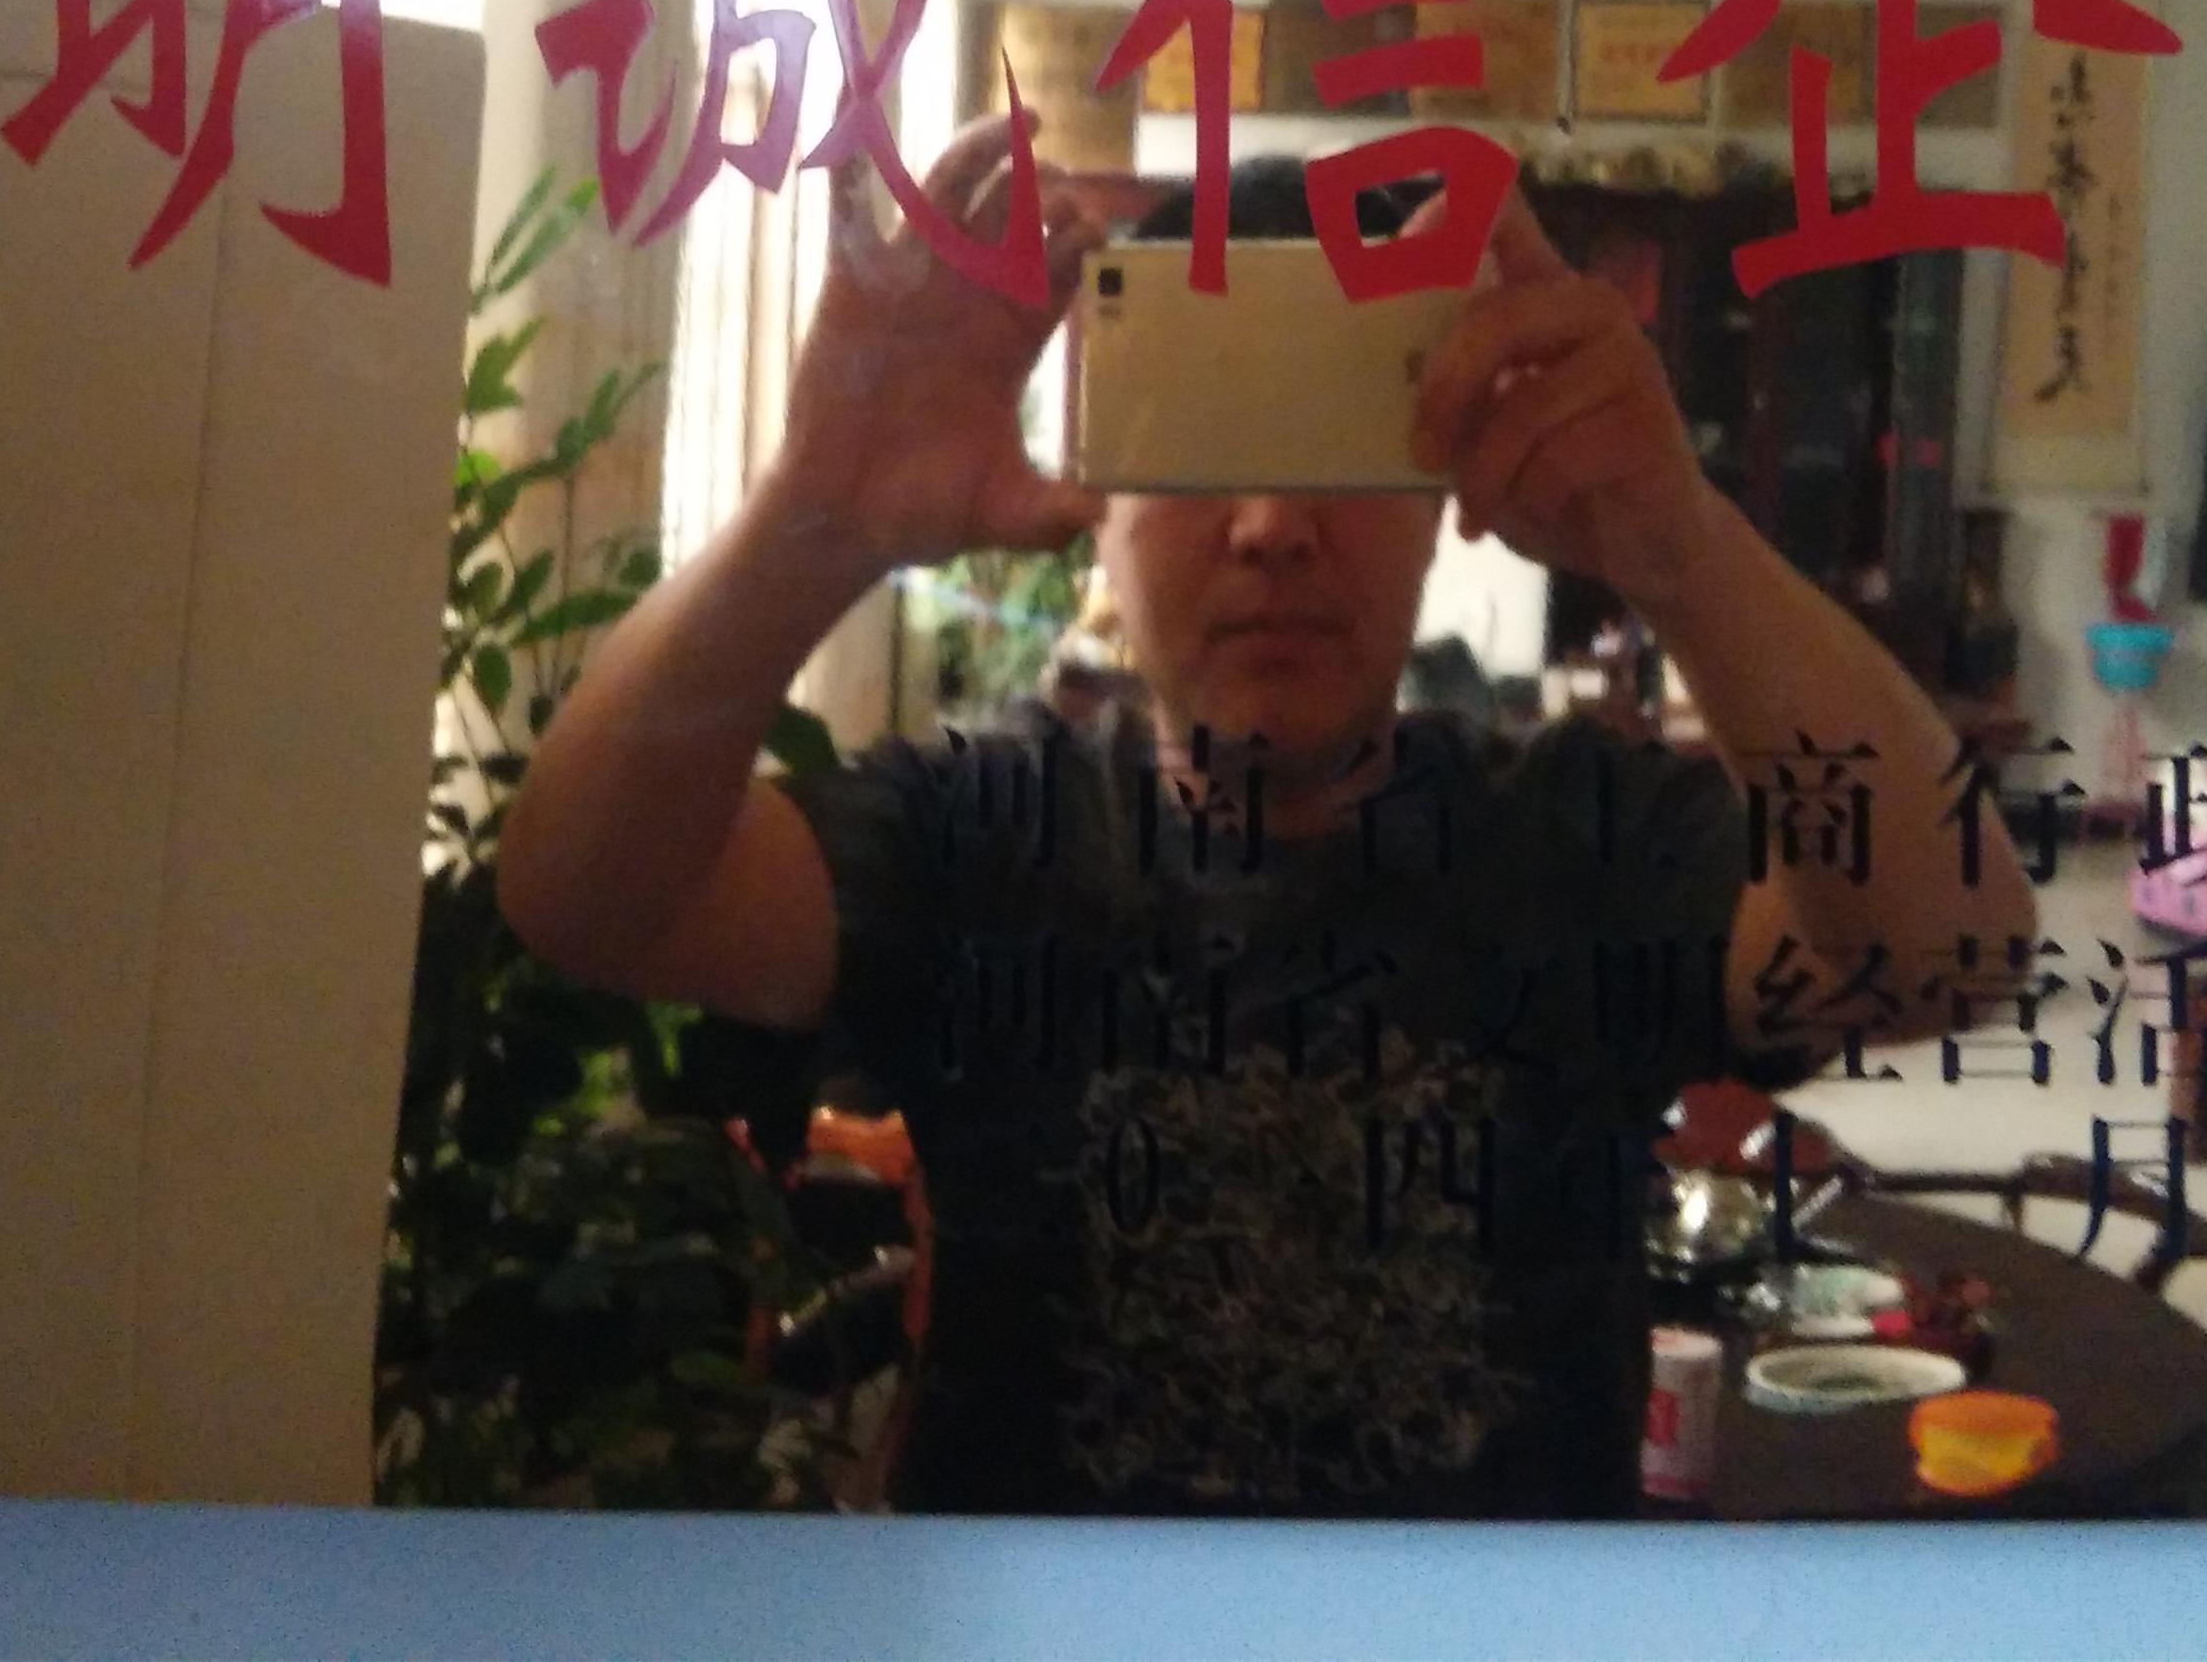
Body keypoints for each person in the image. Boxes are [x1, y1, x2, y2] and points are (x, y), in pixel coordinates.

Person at [502, 124, 2038, 1516]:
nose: (1271, 528)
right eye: (1202, 441)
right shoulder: (978, 833)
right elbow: (585, 898)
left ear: (1438, 493)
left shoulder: (1585, 834)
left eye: (1327, 442)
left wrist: (1679, 544)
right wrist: (809, 520)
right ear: (1100, 504)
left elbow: (1941, 955)